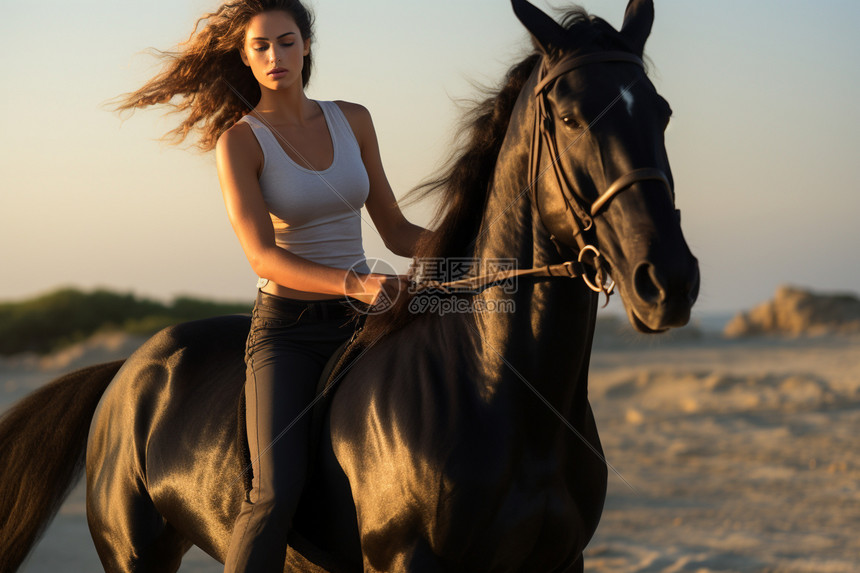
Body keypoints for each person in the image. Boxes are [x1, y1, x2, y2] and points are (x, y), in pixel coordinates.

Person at [110, 1, 431, 570]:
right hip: (291, 333)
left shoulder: (352, 118)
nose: (275, 56)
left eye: (285, 42)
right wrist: (354, 282)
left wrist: (478, 253)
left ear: (306, 46)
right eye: (260, 47)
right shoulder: (241, 142)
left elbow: (399, 231)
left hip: (366, 322)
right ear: (246, 57)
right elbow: (263, 255)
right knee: (273, 493)